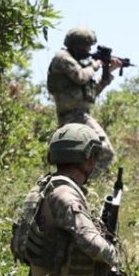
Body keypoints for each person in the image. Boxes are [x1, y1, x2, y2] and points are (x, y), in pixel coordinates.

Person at [21, 123, 135, 276]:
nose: (94, 163)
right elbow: (89, 240)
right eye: (93, 156)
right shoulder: (65, 196)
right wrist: (117, 260)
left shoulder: (48, 187)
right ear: (85, 156)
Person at [46, 27, 123, 172]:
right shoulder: (62, 57)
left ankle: (80, 184)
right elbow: (81, 77)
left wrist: (109, 71)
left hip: (79, 114)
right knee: (104, 150)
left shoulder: (79, 63)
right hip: (73, 115)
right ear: (76, 45)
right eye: (86, 47)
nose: (88, 51)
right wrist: (97, 63)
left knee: (81, 156)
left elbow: (91, 94)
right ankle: (85, 182)